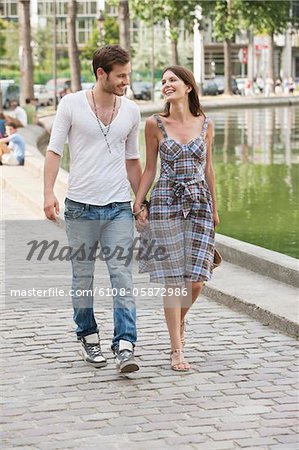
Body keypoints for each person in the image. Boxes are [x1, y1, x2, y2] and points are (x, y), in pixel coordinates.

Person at [44, 45, 143, 373]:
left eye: (127, 74)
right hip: (80, 207)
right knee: (83, 278)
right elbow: (55, 150)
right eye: (121, 75)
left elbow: (132, 159)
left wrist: (140, 200)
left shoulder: (130, 110)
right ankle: (87, 335)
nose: (126, 81)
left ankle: (125, 345)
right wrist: (48, 193)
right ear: (101, 73)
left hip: (117, 207)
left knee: (122, 276)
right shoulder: (70, 104)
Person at [134, 66, 219, 372]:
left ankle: (177, 320)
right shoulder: (155, 124)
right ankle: (176, 350)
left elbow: (208, 169)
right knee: (174, 281)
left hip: (199, 204)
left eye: (172, 80)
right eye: (163, 81)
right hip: (166, 203)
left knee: (196, 281)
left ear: (188, 87)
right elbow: (149, 169)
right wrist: (138, 203)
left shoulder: (206, 124)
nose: (166, 84)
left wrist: (216, 209)